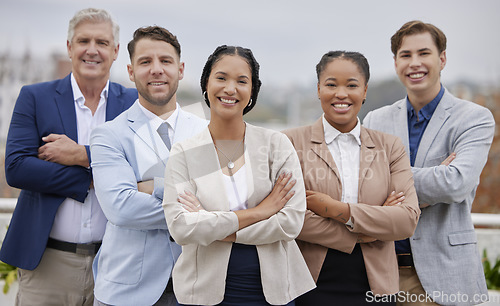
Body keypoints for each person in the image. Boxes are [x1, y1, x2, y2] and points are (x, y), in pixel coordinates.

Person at [0, 8, 137, 306]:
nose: (92, 50)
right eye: (83, 40)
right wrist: (95, 176)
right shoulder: (35, 97)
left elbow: (143, 169)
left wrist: (81, 155)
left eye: (101, 43)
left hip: (114, 263)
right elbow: (17, 168)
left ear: (114, 51)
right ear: (69, 47)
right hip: (47, 263)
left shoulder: (133, 104)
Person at [162, 45, 315, 305]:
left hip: (274, 291)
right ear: (206, 83)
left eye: (242, 81)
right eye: (221, 78)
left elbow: (290, 222)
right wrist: (260, 211)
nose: (230, 89)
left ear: (252, 90)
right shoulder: (184, 152)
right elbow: (181, 228)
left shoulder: (277, 145)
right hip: (203, 291)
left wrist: (213, 225)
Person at [363, 21, 494, 305]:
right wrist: (433, 177)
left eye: (424, 53)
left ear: (442, 58)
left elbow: (455, 184)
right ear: (396, 62)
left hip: (443, 275)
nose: (415, 63)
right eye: (406, 55)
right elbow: (362, 187)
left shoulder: (474, 118)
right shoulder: (375, 119)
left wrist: (389, 179)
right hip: (379, 274)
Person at [283, 51, 420, 305]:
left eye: (352, 85)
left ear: (365, 91)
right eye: (331, 84)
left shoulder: (390, 147)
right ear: (318, 89)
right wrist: (367, 230)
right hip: (308, 282)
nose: (341, 94)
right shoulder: (290, 142)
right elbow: (290, 217)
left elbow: (407, 219)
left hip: (376, 285)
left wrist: (338, 210)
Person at [89, 26, 207, 306]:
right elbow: (121, 208)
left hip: (194, 288)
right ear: (130, 72)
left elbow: (225, 201)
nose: (156, 70)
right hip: (126, 292)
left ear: (180, 69)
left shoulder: (207, 131)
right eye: (145, 62)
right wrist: (197, 204)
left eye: (165, 61)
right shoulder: (108, 134)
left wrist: (151, 187)